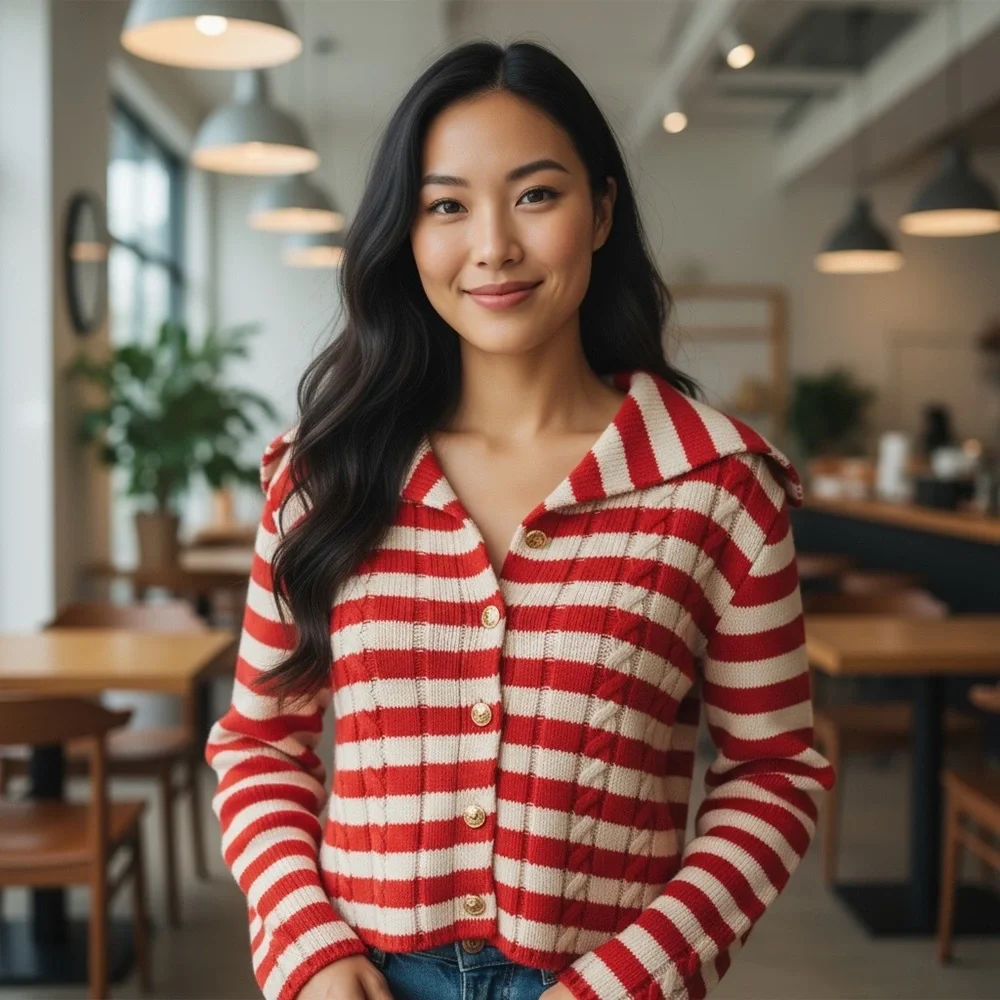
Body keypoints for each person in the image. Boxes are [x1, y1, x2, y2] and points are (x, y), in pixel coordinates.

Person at [205, 39, 834, 1000]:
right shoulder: (326, 473)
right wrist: (308, 945)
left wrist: (630, 980)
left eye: (536, 195)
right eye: (446, 205)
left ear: (603, 211)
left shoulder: (716, 484)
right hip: (365, 978)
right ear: (405, 234)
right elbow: (260, 743)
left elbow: (776, 770)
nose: (493, 245)